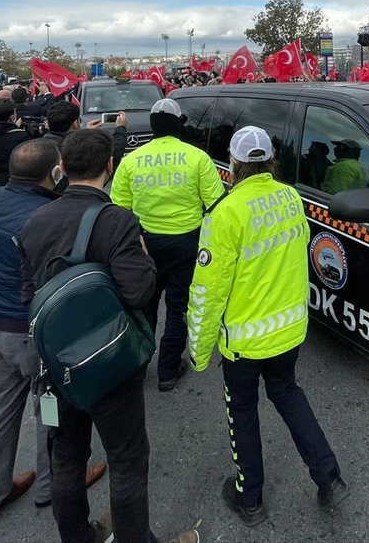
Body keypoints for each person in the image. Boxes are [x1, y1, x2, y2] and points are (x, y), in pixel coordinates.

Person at [187, 127, 349, 527]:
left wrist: (199, 350)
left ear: (234, 163)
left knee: (241, 412)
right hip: (289, 330)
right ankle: (329, 478)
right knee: (289, 394)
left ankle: (250, 496)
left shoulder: (224, 214)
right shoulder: (291, 197)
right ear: (270, 161)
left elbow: (207, 292)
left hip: (244, 342)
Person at [18, 130, 163, 543]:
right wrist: (146, 261)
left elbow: (29, 295)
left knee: (66, 458)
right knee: (127, 460)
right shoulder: (117, 220)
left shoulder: (34, 220)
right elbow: (138, 292)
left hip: (55, 365)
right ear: (111, 167)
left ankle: (78, 537)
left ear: (61, 170)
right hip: (109, 365)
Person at [0, 140, 105, 534]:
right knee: (51, 408)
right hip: (32, 333)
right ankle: (54, 483)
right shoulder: (49, 215)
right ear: (57, 171)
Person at [110, 99, 224, 392]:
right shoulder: (197, 157)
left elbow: (119, 209)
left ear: (151, 126)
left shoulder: (132, 160)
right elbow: (217, 206)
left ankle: (139, 365)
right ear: (177, 125)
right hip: (187, 244)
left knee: (145, 306)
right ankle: (168, 371)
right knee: (178, 309)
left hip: (145, 244)